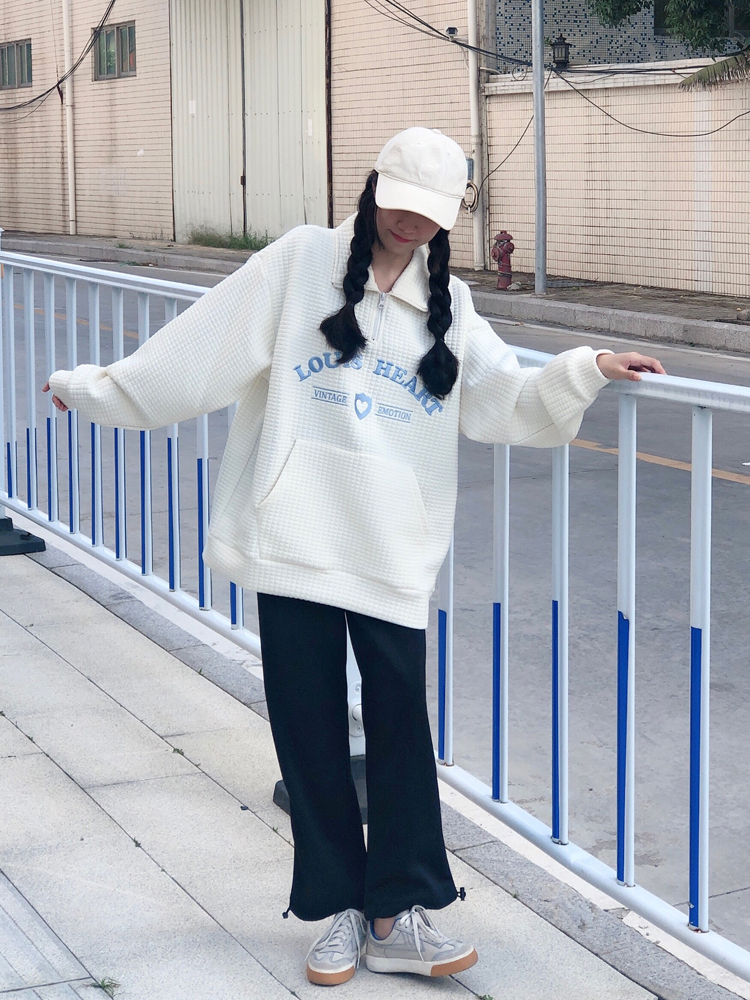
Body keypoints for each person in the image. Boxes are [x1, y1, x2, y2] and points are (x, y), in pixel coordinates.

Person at [44, 127, 665, 987]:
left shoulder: (449, 300)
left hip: (389, 545)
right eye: (402, 204)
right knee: (307, 728)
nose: (414, 224)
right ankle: (335, 907)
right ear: (374, 188)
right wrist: (94, 390)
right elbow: (198, 351)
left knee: (401, 726)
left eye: (432, 214)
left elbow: (503, 398)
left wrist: (587, 368)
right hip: (296, 534)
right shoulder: (300, 261)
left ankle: (395, 913)